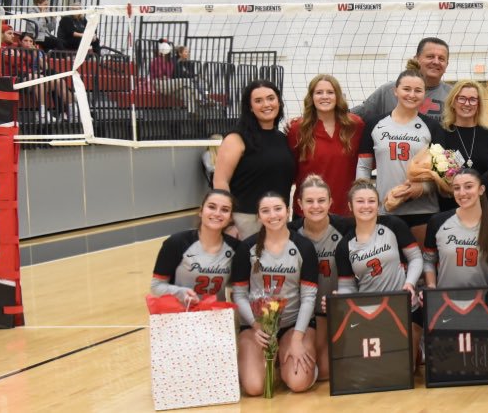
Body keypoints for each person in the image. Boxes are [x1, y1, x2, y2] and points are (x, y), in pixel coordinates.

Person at [231, 193, 320, 396]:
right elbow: (239, 295)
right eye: (265, 211)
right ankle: (263, 363)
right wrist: (256, 326)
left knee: (298, 383)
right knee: (254, 388)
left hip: (292, 325)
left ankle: (286, 358)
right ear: (259, 216)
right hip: (257, 327)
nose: (273, 215)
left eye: (278, 209)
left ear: (287, 212)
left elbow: (308, 298)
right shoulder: (247, 248)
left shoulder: (303, 247)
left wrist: (297, 339)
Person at [334, 179, 426, 362]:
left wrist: (409, 283)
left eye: (371, 201)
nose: (366, 206)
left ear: (378, 204)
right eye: (360, 201)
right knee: (379, 365)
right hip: (370, 312)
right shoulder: (345, 246)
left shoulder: (394, 225)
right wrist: (341, 298)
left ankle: (419, 347)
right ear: (350, 206)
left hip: (404, 306)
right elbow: (347, 287)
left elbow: (415, 258)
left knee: (407, 364)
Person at [357, 69, 444, 243]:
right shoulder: (374, 124)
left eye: (418, 90)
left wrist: (421, 189)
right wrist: (363, 199)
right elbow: (363, 167)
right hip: (385, 209)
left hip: (423, 210)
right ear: (395, 91)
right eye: (406, 89)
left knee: (422, 264)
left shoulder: (433, 127)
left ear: (424, 94)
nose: (412, 95)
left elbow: (443, 173)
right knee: (389, 265)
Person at [214, 80, 296, 238]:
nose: (266, 104)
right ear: (250, 107)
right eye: (258, 101)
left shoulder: (283, 138)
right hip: (245, 220)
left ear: (278, 102)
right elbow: (220, 182)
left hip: (278, 219)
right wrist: (228, 222)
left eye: (271, 98)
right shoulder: (236, 138)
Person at [290, 175, 352, 380]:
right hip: (302, 312)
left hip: (332, 308)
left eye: (321, 200)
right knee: (310, 370)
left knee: (326, 373)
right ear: (299, 204)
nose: (315, 206)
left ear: (331, 202)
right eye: (309, 201)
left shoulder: (346, 228)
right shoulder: (289, 232)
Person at [151, 190, 245, 303]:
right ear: (201, 211)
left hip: (216, 315)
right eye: (211, 207)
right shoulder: (176, 242)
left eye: (225, 210)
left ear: (230, 218)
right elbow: (156, 286)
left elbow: (239, 289)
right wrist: (180, 292)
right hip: (180, 314)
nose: (217, 213)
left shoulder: (236, 248)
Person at [288, 74, 363, 216]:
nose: (325, 96)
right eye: (319, 92)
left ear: (338, 96)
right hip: (308, 211)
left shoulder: (355, 125)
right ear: (311, 97)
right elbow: (290, 171)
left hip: (345, 210)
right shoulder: (297, 129)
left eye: (330, 92)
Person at [425, 170, 488, 289]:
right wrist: (431, 287)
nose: (462, 193)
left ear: (481, 190)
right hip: (444, 301)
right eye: (457, 188)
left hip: (482, 301)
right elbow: (428, 261)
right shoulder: (437, 221)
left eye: (468, 186)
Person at [353, 38, 452, 121]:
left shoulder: (453, 95)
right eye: (430, 56)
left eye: (441, 58)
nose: (436, 61)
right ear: (416, 59)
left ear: (447, 64)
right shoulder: (387, 91)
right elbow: (353, 116)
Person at [435, 81, 488, 212]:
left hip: (482, 208)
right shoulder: (441, 134)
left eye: (473, 100)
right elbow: (436, 175)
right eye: (462, 98)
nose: (467, 104)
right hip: (449, 208)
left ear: (478, 104)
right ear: (453, 102)